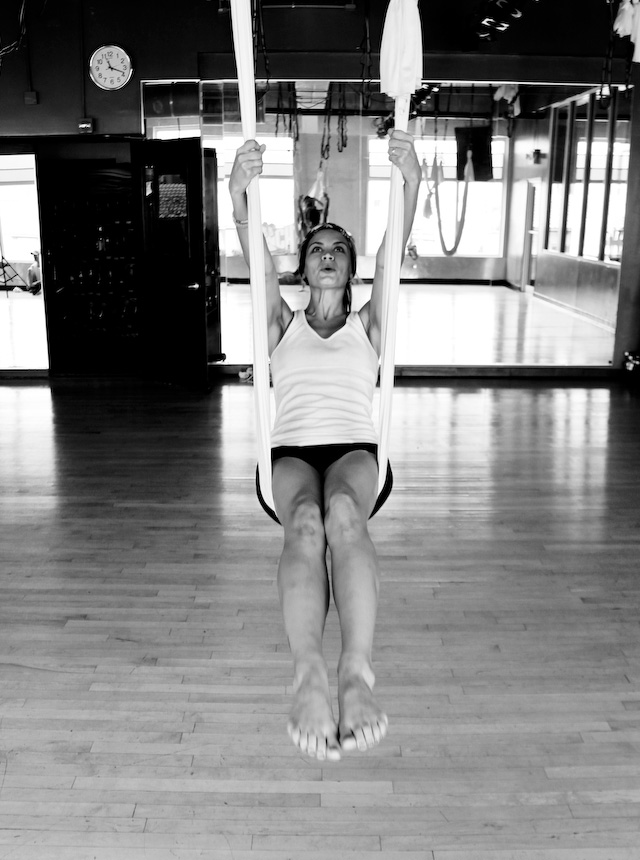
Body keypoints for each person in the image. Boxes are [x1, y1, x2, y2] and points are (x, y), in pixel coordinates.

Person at [229, 130, 421, 761]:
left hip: (356, 451)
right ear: (303, 265)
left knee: (341, 511)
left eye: (340, 248)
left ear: (352, 264)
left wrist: (409, 181)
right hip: (287, 453)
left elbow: (395, 253)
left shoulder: (369, 322)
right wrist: (239, 192)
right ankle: (309, 672)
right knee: (306, 523)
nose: (330, 255)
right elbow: (253, 252)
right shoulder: (280, 322)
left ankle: (354, 674)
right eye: (318, 249)